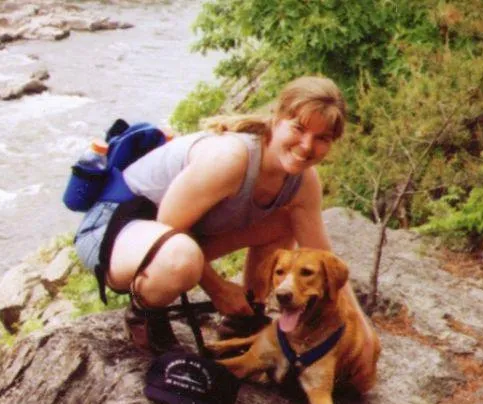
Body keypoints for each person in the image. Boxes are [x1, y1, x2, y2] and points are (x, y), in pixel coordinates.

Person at [74, 75, 378, 366]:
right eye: (298, 128)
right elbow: (166, 228)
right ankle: (143, 315)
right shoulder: (231, 158)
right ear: (277, 118)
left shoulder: (303, 182)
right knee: (182, 258)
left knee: (287, 221)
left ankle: (245, 317)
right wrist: (218, 289)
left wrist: (361, 331)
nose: (307, 146)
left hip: (170, 239)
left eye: (322, 138)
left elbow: (324, 259)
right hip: (114, 230)